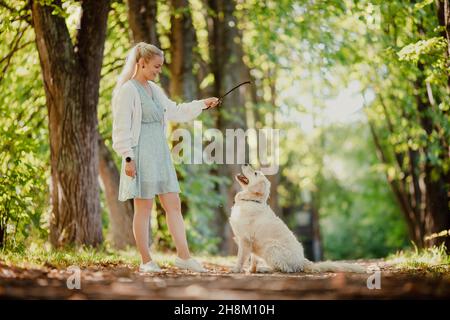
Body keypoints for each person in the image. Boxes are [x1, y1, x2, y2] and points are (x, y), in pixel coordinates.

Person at [111, 42, 219, 273]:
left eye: (160, 67)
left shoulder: (154, 90)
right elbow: (120, 128)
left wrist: (203, 103)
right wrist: (128, 159)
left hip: (160, 155)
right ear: (141, 64)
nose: (159, 71)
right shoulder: (128, 91)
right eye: (156, 67)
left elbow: (175, 111)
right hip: (139, 155)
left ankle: (184, 257)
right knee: (144, 208)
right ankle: (146, 261)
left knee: (173, 205)